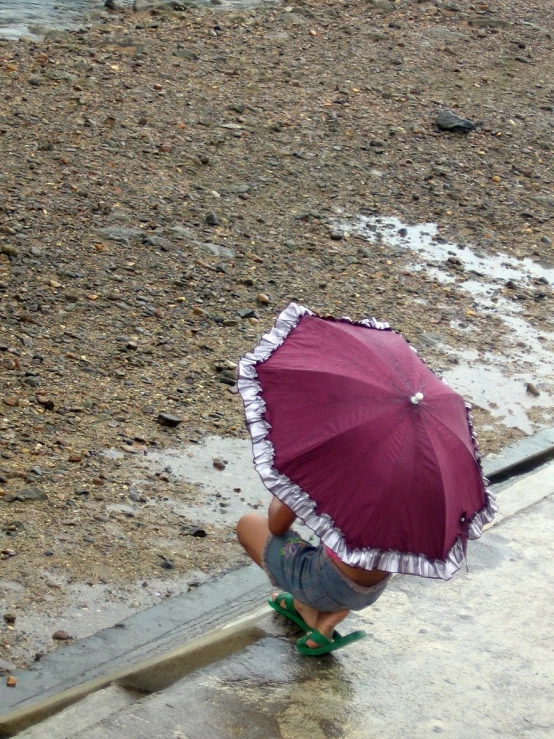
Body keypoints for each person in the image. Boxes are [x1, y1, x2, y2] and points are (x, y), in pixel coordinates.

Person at [236, 496, 391, 655]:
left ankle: (311, 605)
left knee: (249, 524)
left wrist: (285, 487)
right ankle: (317, 609)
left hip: (327, 584)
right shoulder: (403, 491)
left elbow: (277, 525)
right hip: (373, 589)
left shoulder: (335, 473)